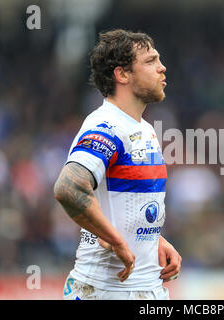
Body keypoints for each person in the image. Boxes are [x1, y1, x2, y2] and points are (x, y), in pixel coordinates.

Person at [54, 29, 182, 300]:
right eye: (150, 61)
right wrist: (115, 239)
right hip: (104, 290)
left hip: (144, 287)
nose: (162, 68)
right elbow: (69, 187)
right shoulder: (106, 126)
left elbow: (119, 204)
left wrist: (152, 241)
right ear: (122, 74)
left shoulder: (143, 128)